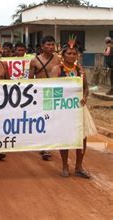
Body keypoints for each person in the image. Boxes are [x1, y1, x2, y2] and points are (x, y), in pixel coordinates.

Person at [50, 38, 96, 178]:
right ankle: (64, 166)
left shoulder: (80, 70)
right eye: (68, 53)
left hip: (78, 109)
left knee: (82, 137)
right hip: (63, 109)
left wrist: (85, 97)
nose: (71, 56)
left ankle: (79, 166)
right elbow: (51, 89)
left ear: (77, 56)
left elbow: (86, 88)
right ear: (62, 55)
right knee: (65, 136)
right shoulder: (56, 70)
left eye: (73, 53)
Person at [29, 35, 61, 161]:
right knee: (43, 119)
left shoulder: (59, 59)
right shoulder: (34, 61)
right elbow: (30, 80)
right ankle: (44, 146)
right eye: (48, 44)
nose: (50, 47)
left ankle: (49, 143)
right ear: (42, 46)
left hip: (54, 92)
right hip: (40, 93)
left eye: (52, 44)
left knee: (53, 118)